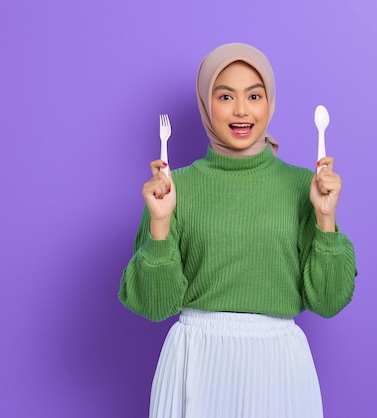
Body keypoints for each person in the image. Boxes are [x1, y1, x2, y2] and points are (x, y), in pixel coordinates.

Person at [119, 42, 357, 418]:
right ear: (205, 103)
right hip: (195, 365)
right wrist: (160, 223)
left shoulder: (305, 187)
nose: (242, 110)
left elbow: (328, 302)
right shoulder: (172, 189)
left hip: (279, 370)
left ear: (270, 103)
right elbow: (153, 305)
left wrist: (325, 219)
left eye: (255, 95)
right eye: (225, 95)